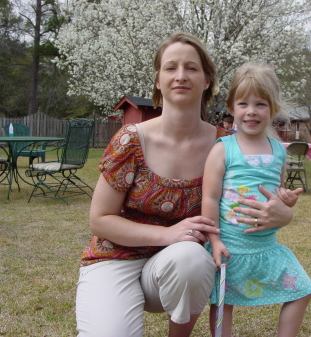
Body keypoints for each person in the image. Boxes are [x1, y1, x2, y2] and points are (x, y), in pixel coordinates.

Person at [75, 33, 295, 337]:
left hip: (180, 265)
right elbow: (98, 220)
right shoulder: (130, 139)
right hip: (116, 259)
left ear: (207, 80)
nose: (180, 76)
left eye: (191, 68)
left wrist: (284, 214)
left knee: (192, 257)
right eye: (170, 68)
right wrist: (167, 234)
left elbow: (260, 191)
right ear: (157, 79)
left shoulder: (226, 145)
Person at [202, 62, 311, 337]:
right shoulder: (223, 149)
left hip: (267, 248)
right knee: (222, 303)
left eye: (261, 104)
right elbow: (209, 196)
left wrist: (287, 201)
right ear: (231, 107)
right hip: (230, 247)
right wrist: (214, 241)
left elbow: (277, 194)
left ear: (273, 109)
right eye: (243, 103)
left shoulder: (278, 151)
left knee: (302, 290)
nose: (251, 111)